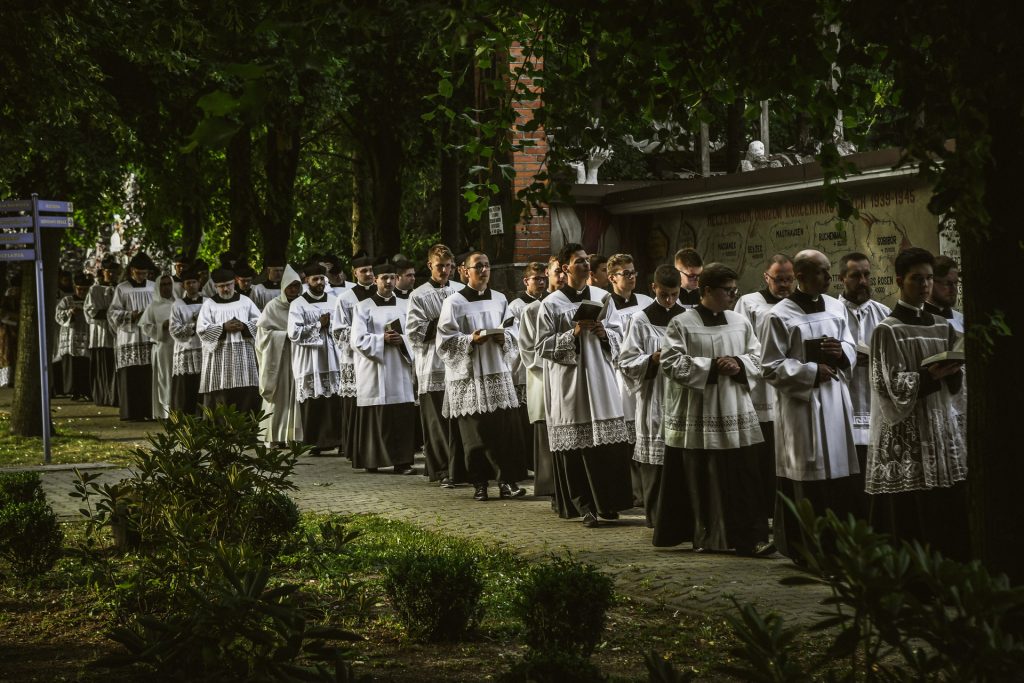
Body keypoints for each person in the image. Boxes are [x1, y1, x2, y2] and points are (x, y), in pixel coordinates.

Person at [654, 264, 769, 555]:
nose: (733, 295)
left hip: (735, 410)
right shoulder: (682, 323)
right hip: (699, 412)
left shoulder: (740, 322)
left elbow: (758, 357)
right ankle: (707, 536)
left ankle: (748, 538)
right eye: (727, 290)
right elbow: (670, 363)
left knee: (741, 478)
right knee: (704, 478)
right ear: (706, 291)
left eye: (734, 290)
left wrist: (739, 363)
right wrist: (713, 367)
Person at [867, 247, 968, 559]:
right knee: (911, 512)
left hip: (939, 426)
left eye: (929, 279)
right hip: (907, 430)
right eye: (917, 279)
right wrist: (929, 376)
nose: (925, 285)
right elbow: (885, 384)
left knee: (945, 507)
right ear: (900, 281)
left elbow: (958, 384)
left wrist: (953, 372)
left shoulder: (943, 326)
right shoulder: (887, 329)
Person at [761, 249, 859, 561]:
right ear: (801, 276)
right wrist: (812, 371)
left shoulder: (835, 307)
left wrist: (841, 352)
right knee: (809, 474)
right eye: (822, 272)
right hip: (802, 408)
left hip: (835, 401)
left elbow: (851, 345)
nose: (829, 278)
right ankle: (806, 549)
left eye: (829, 271)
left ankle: (839, 548)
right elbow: (770, 366)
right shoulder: (779, 315)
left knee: (839, 477)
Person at [536, 242, 632, 527]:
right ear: (565, 268)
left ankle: (608, 503)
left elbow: (620, 335)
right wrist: (572, 333)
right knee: (576, 444)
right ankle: (584, 506)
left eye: (586, 261)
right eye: (578, 261)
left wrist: (605, 333)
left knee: (605, 444)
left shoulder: (604, 297)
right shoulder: (551, 304)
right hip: (570, 380)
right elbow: (541, 346)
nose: (585, 265)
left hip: (600, 377)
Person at [437, 251, 526, 500]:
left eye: (487, 266)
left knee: (502, 433)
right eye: (478, 266)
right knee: (475, 435)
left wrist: (505, 337)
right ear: (465, 271)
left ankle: (506, 482)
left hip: (497, 370)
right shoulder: (454, 302)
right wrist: (470, 339)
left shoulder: (500, 299)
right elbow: (444, 340)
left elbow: (513, 329)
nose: (484, 270)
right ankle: (480, 483)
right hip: (470, 377)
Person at [617, 265, 684, 527]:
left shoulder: (687, 318)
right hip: (654, 395)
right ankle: (656, 517)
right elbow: (626, 361)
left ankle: (680, 518)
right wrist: (651, 359)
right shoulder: (641, 320)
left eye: (674, 294)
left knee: (680, 460)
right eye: (664, 294)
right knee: (656, 460)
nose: (669, 300)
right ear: (654, 287)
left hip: (681, 396)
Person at [733, 253, 794, 531]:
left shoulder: (796, 305)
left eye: (789, 279)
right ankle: (763, 510)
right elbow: (739, 342)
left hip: (788, 387)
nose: (784, 285)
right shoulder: (749, 303)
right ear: (766, 277)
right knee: (763, 455)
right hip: (760, 391)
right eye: (779, 279)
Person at [405, 244, 467, 487]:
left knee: (458, 420)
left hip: (459, 364)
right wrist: (444, 323)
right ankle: (442, 470)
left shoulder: (461, 291)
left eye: (449, 266)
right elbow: (414, 332)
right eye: (440, 266)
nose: (445, 271)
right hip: (432, 365)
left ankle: (460, 468)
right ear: (430, 265)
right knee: (437, 422)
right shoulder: (418, 295)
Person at [350, 262, 418, 473]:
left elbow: (415, 336)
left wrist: (402, 339)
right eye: (384, 278)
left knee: (401, 414)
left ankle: (402, 462)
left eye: (392, 277)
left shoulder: (406, 305)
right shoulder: (363, 307)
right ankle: (372, 460)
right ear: (375, 280)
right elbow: (357, 340)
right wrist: (382, 339)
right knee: (376, 412)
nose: (388, 282)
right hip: (374, 369)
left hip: (399, 367)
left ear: (397, 279)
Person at [836, 252, 891, 501]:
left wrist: (877, 359)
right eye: (855, 276)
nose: (863, 281)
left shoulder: (884, 314)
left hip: (875, 403)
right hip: (843, 403)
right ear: (842, 278)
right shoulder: (832, 313)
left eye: (867, 275)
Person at [607, 253, 654, 507]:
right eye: (626, 273)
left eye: (633, 272)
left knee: (646, 425)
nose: (632, 277)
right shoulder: (606, 305)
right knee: (628, 433)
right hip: (620, 375)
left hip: (646, 370)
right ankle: (634, 490)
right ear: (612, 277)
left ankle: (648, 487)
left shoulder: (646, 302)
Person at [519, 256, 566, 499]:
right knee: (546, 438)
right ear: (547, 274)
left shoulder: (573, 306)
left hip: (569, 384)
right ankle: (550, 487)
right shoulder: (532, 310)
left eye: (565, 271)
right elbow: (528, 352)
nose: (562, 276)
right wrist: (558, 363)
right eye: (557, 271)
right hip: (544, 381)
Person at [287, 263, 344, 454]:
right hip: (309, 359)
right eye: (315, 279)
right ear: (307, 281)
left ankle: (339, 440)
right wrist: (319, 324)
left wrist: (331, 324)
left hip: (333, 357)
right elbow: (294, 333)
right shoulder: (298, 304)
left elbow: (343, 326)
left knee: (335, 399)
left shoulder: (335, 301)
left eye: (322, 278)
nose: (319, 282)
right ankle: (314, 443)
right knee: (313, 400)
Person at [196, 268, 261, 413]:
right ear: (215, 286)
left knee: (245, 391)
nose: (225, 289)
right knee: (221, 395)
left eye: (228, 285)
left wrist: (244, 326)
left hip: (243, 356)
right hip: (219, 356)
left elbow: (260, 323)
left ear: (234, 283)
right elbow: (201, 330)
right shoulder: (209, 305)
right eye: (221, 286)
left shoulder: (246, 302)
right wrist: (223, 328)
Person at [331, 256, 377, 458]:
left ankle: (373, 446)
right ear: (354, 273)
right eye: (363, 270)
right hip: (353, 358)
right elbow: (338, 332)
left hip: (376, 356)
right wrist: (362, 334)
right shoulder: (345, 298)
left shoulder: (382, 294)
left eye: (370, 270)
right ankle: (354, 448)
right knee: (355, 401)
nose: (368, 274)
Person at [507, 262, 549, 472]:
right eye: (536, 279)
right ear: (526, 281)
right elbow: (512, 337)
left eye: (543, 278)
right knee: (524, 417)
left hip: (541, 370)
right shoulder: (516, 306)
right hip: (521, 369)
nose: (541, 282)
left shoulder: (548, 302)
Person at [256, 265, 303, 445]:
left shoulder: (303, 305)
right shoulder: (272, 307)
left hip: (299, 357)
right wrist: (284, 336)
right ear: (283, 287)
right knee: (279, 395)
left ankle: (293, 436)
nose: (293, 289)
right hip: (279, 359)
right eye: (290, 286)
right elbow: (262, 335)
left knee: (297, 395)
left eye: (296, 286)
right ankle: (273, 436)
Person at [107, 252, 156, 420]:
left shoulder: (153, 287)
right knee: (131, 376)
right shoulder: (122, 288)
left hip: (149, 337)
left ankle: (150, 411)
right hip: (130, 337)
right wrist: (130, 315)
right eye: (138, 273)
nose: (142, 276)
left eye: (145, 273)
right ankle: (131, 412)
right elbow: (112, 313)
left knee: (148, 375)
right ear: (131, 271)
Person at [168, 268, 204, 416]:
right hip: (185, 351)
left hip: (203, 350)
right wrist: (193, 326)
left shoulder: (208, 302)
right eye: (188, 283)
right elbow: (174, 330)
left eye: (194, 282)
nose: (191, 285)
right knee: (185, 386)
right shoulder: (177, 305)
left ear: (199, 283)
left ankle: (203, 416)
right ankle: (184, 418)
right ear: (183, 286)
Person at [138, 274, 176, 418]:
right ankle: (166, 412)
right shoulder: (153, 306)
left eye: (169, 284)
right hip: (163, 346)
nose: (166, 287)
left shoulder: (179, 303)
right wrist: (161, 326)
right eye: (163, 285)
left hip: (179, 346)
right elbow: (145, 326)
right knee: (165, 378)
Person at [85, 258, 119, 406]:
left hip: (117, 335)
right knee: (102, 367)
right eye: (108, 271)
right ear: (103, 272)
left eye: (114, 271)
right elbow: (91, 311)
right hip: (101, 334)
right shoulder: (95, 289)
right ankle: (103, 396)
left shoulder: (120, 288)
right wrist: (112, 314)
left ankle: (115, 396)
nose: (111, 274)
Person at [54, 272, 93, 400]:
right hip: (70, 335)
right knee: (72, 365)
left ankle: (85, 391)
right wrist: (70, 312)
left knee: (84, 364)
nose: (82, 292)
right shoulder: (67, 300)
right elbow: (58, 315)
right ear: (75, 287)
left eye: (85, 289)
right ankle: (73, 390)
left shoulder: (91, 301)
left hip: (85, 335)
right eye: (79, 289)